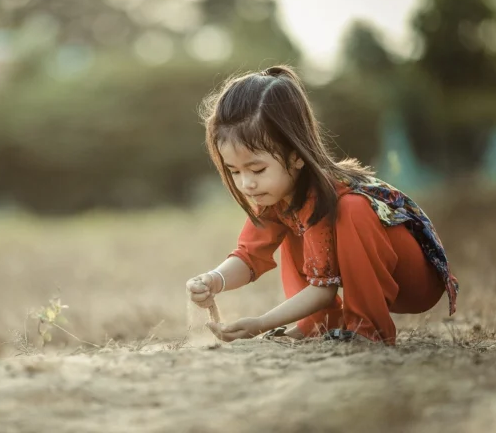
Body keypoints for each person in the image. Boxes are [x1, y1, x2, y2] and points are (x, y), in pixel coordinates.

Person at [185, 65, 459, 345]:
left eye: (256, 170)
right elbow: (248, 256)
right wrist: (214, 280)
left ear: (297, 156)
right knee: (294, 226)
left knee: (352, 208)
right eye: (234, 171)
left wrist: (261, 323)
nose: (246, 184)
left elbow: (322, 291)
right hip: (367, 278)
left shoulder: (327, 196)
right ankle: (320, 324)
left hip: (413, 280)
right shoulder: (274, 197)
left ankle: (368, 329)